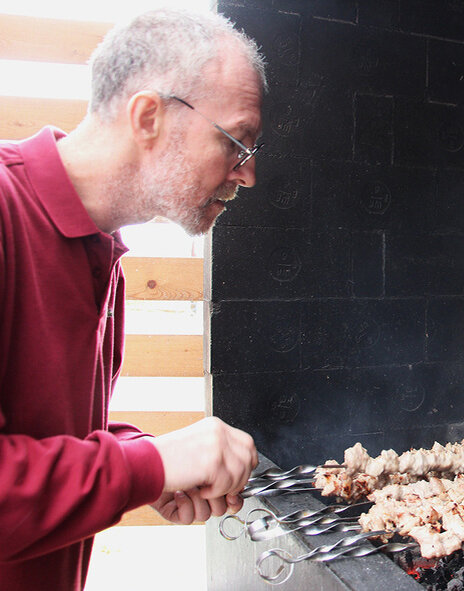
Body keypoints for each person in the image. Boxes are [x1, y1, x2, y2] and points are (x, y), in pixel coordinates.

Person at [0, 8, 266, 591]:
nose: (248, 176)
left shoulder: (102, 257)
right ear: (148, 116)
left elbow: (41, 440)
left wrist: (143, 459)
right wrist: (147, 464)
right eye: (236, 143)